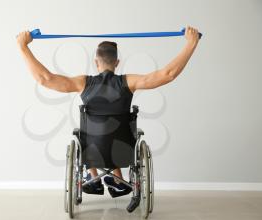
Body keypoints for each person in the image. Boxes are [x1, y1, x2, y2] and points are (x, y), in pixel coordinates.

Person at [17, 26, 200, 197]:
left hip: (92, 149)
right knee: (112, 131)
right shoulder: (129, 81)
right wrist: (191, 43)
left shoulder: (83, 83)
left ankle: (93, 176)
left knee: (88, 130)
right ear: (117, 62)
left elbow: (44, 79)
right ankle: (115, 178)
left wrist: (23, 46)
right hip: (123, 149)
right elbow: (168, 74)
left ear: (95, 62)